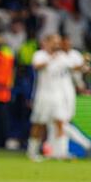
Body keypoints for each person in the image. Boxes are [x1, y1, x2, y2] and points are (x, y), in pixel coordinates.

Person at [26, 34, 70, 162]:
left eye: (58, 42)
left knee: (60, 122)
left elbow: (73, 66)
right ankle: (32, 152)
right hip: (43, 95)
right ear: (46, 42)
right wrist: (51, 58)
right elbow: (37, 66)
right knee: (39, 124)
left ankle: (60, 153)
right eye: (54, 42)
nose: (56, 44)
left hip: (58, 95)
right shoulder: (40, 55)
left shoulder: (62, 56)